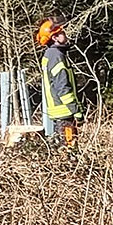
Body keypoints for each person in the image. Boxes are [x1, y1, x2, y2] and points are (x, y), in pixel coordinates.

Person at [37, 18, 83, 147]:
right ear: (55, 37)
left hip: (61, 112)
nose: (65, 34)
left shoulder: (51, 54)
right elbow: (62, 87)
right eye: (61, 32)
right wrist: (76, 110)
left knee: (64, 147)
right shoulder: (56, 56)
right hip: (65, 112)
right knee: (69, 148)